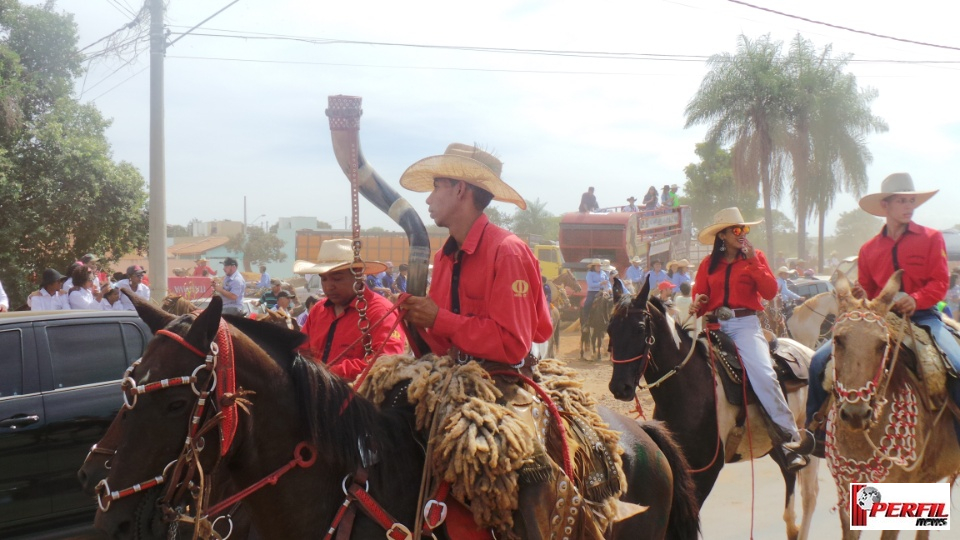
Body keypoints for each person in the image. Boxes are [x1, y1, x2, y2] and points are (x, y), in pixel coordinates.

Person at [791, 172, 960, 454]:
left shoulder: (931, 238)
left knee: (956, 365)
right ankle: (814, 432)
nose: (909, 206)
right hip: (880, 320)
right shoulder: (869, 248)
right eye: (902, 201)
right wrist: (862, 295)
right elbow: (869, 289)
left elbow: (940, 282)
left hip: (923, 317)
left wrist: (915, 300)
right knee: (819, 361)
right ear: (886, 206)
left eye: (911, 201)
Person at [690, 207, 809, 471]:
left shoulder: (756, 258)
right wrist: (698, 303)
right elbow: (699, 300)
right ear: (722, 235)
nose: (742, 233)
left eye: (744, 229)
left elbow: (769, 291)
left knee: (764, 374)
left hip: (745, 325)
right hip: (714, 325)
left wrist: (754, 260)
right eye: (736, 229)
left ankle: (789, 437)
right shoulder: (707, 266)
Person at [299, 238, 406, 382]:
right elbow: (301, 350)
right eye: (324, 279)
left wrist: (327, 373)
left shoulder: (381, 311)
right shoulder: (318, 310)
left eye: (337, 279)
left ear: (359, 276)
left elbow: (386, 361)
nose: (329, 286)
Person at [582, 258, 608, 325]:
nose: (599, 267)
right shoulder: (590, 274)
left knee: (611, 301)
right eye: (597, 266)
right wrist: (600, 283)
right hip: (593, 292)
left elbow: (608, 282)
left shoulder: (603, 273)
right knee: (588, 303)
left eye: (599, 265)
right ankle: (585, 320)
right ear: (593, 266)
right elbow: (590, 284)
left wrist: (609, 289)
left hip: (603, 291)